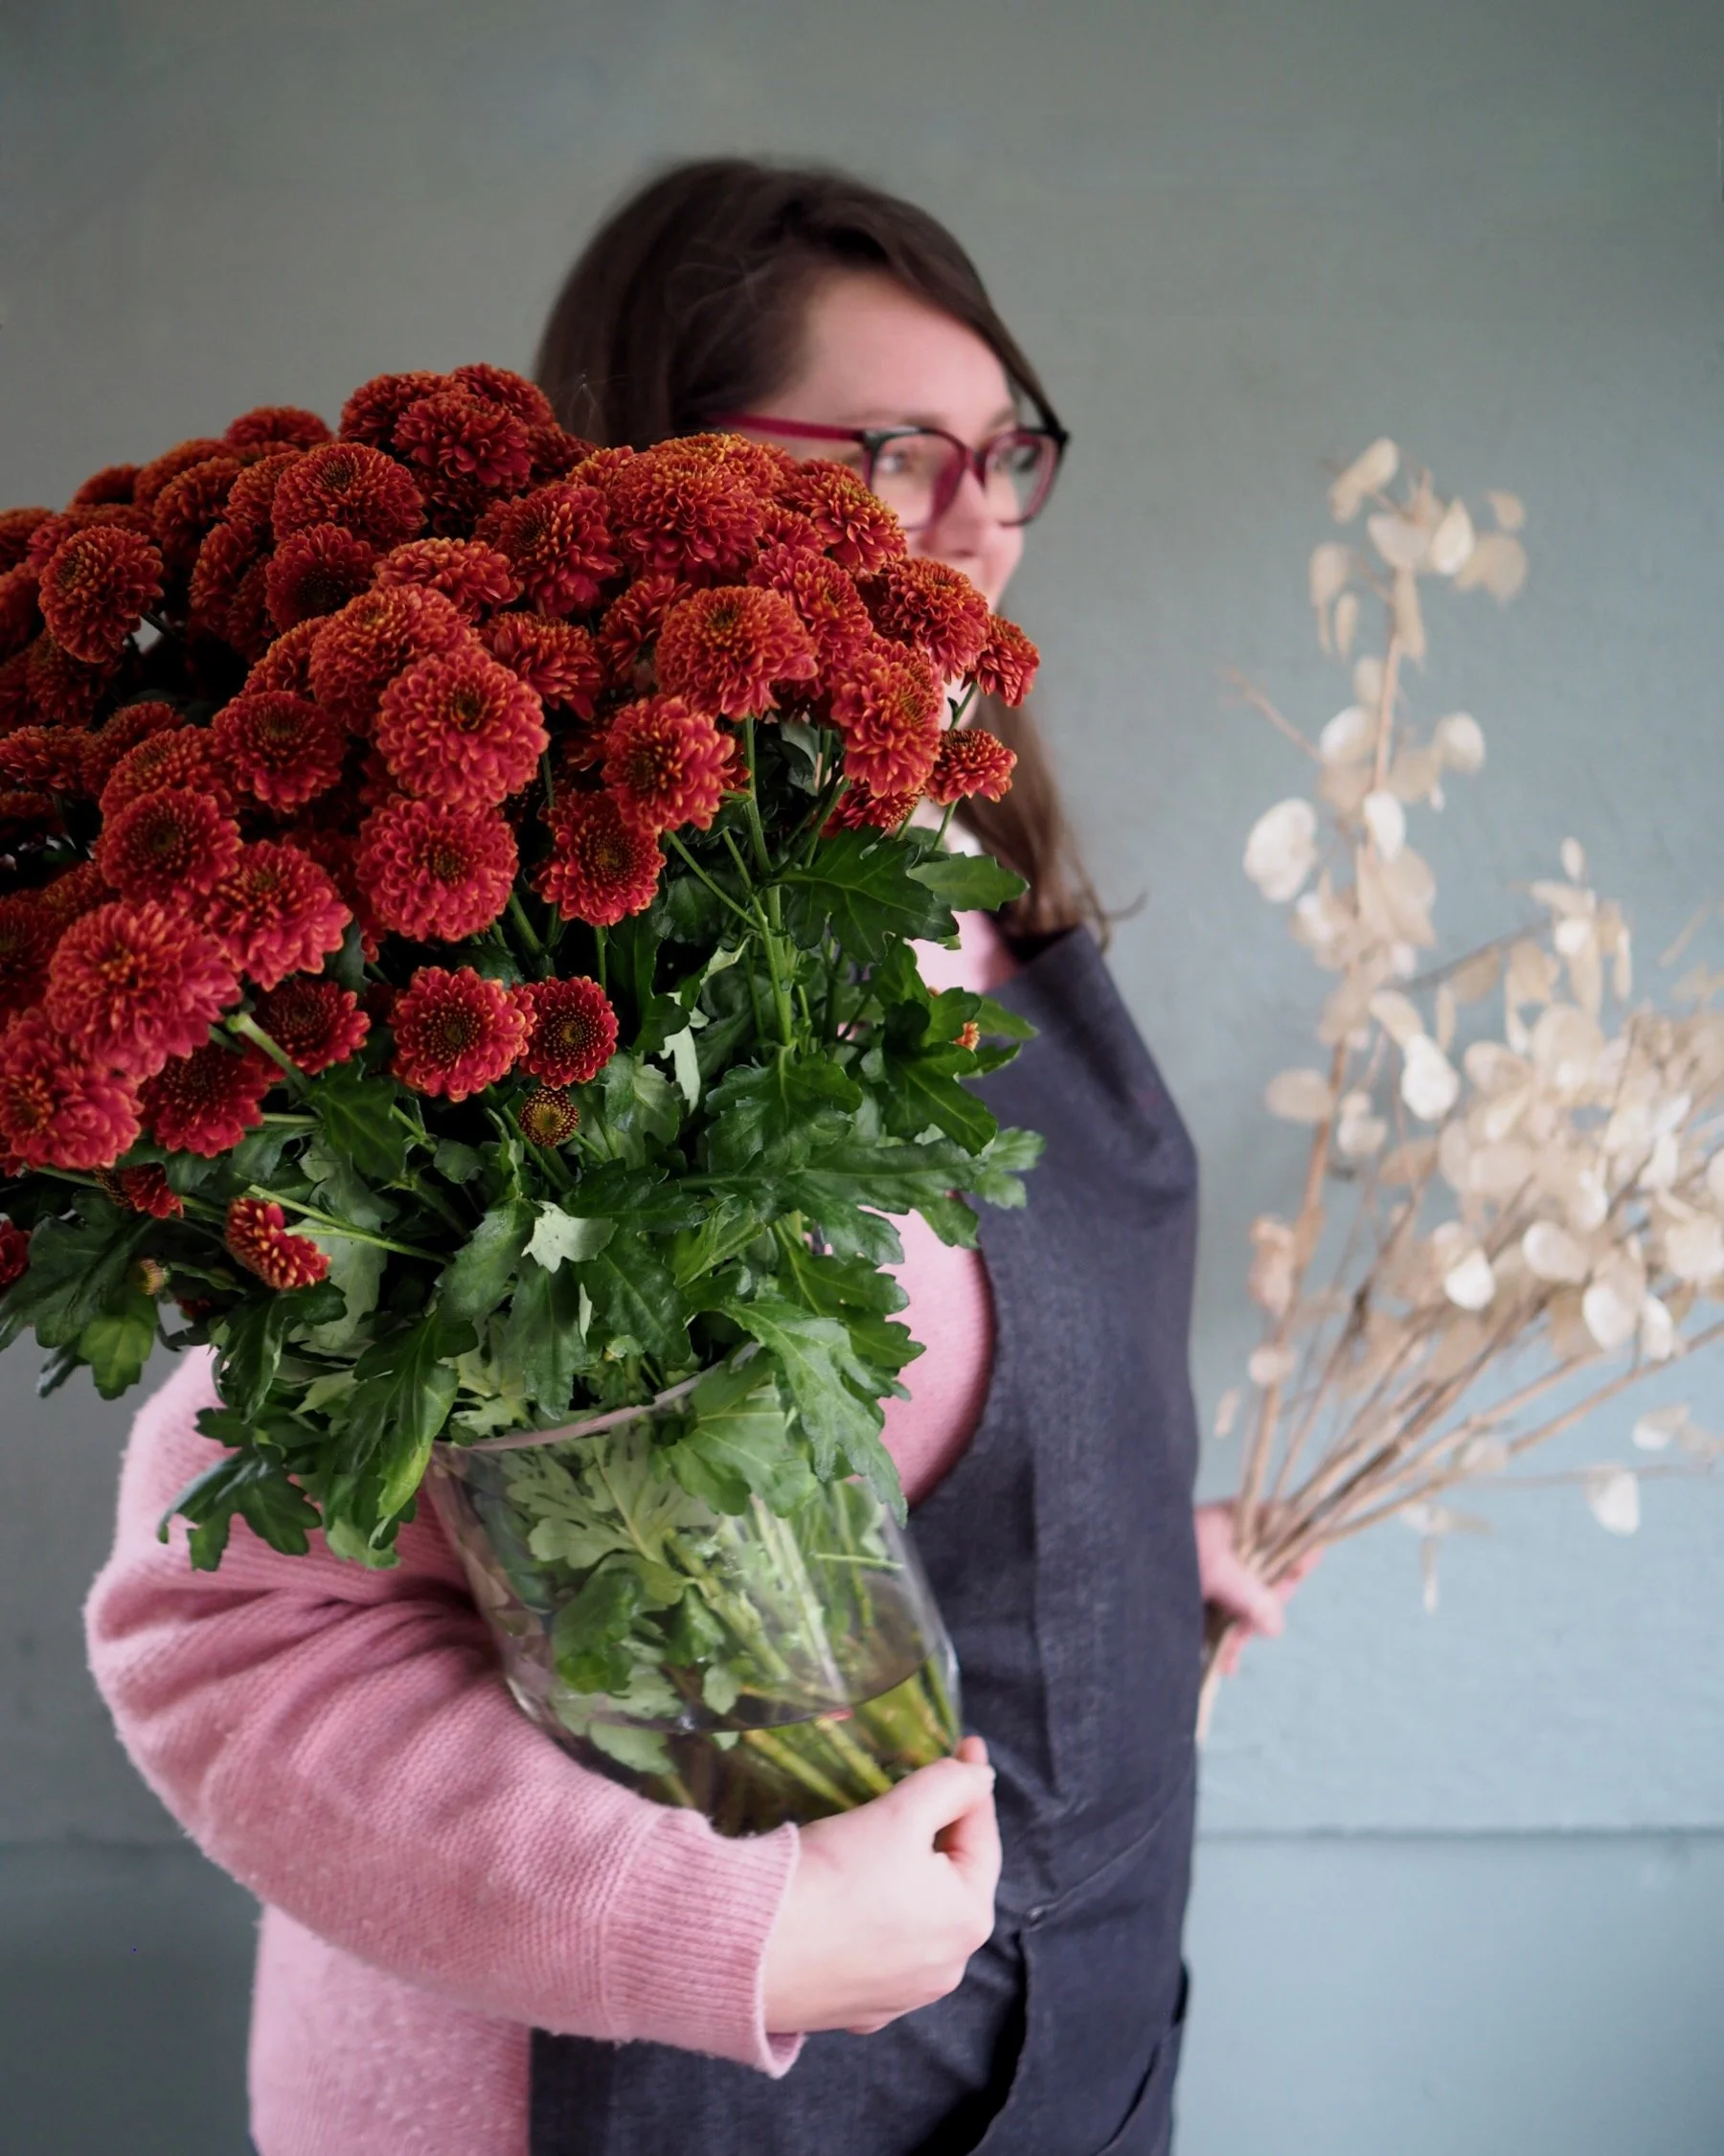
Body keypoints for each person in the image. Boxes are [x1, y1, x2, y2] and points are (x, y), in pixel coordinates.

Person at [85, 159, 1302, 2156]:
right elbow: (233, 1636)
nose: (980, 520)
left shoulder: (973, 894)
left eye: (1010, 451)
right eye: (900, 455)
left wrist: (1108, 1556)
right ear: (670, 482)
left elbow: (906, 1428)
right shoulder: (512, 985)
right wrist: (728, 1927)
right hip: (628, 2085)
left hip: (1057, 2047)